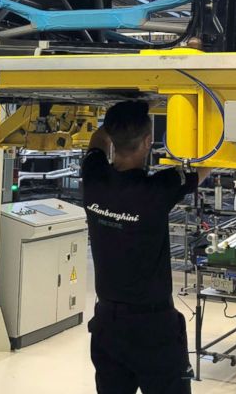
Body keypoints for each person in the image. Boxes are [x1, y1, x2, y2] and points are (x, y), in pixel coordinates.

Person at [81, 99, 210, 394]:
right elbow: (205, 168)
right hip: (153, 329)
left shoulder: (94, 178)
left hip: (108, 326)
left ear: (113, 138)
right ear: (149, 141)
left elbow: (96, 141)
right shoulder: (157, 190)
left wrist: (118, 123)